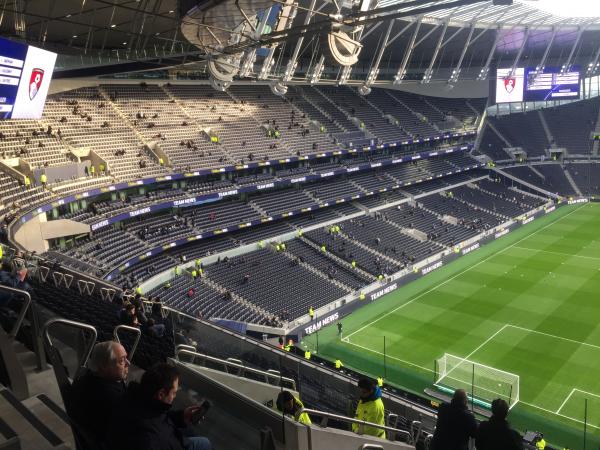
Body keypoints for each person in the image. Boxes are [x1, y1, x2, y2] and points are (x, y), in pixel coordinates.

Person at [108, 363, 211, 450]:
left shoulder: (131, 397)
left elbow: (158, 416)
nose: (175, 396)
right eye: (174, 392)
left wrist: (182, 416)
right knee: (204, 443)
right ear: (161, 394)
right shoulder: (154, 439)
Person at [68, 341, 129, 442]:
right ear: (104, 366)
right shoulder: (113, 398)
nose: (128, 363)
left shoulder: (83, 381)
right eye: (122, 360)